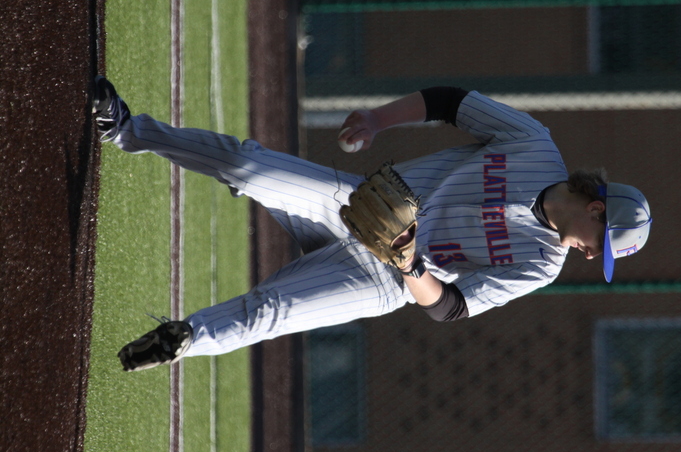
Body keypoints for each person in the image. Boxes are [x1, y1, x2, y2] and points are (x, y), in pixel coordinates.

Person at [92, 76, 652, 372]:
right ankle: (125, 129)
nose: (587, 257)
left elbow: (450, 307)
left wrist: (410, 264)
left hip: (384, 278)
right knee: (247, 165)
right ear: (596, 208)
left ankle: (183, 339)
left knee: (273, 309)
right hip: (357, 204)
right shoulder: (533, 143)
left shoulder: (541, 264)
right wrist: (380, 120)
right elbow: (452, 102)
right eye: (599, 247)